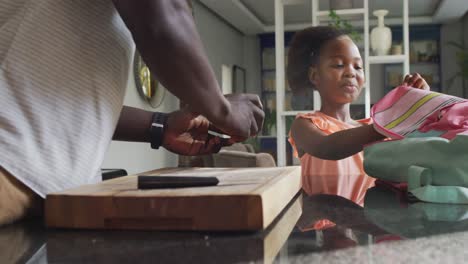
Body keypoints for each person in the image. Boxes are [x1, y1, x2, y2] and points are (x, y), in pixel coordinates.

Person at [0, 0, 264, 225]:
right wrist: (223, 109)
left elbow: (56, 100)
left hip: (49, 200)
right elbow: (161, 19)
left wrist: (161, 126)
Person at [287, 26, 429, 205]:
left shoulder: (373, 127)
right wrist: (391, 121)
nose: (351, 72)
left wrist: (420, 103)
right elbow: (328, 147)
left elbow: (410, 158)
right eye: (339, 64)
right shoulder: (304, 125)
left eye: (358, 66)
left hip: (366, 219)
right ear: (315, 75)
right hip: (323, 218)